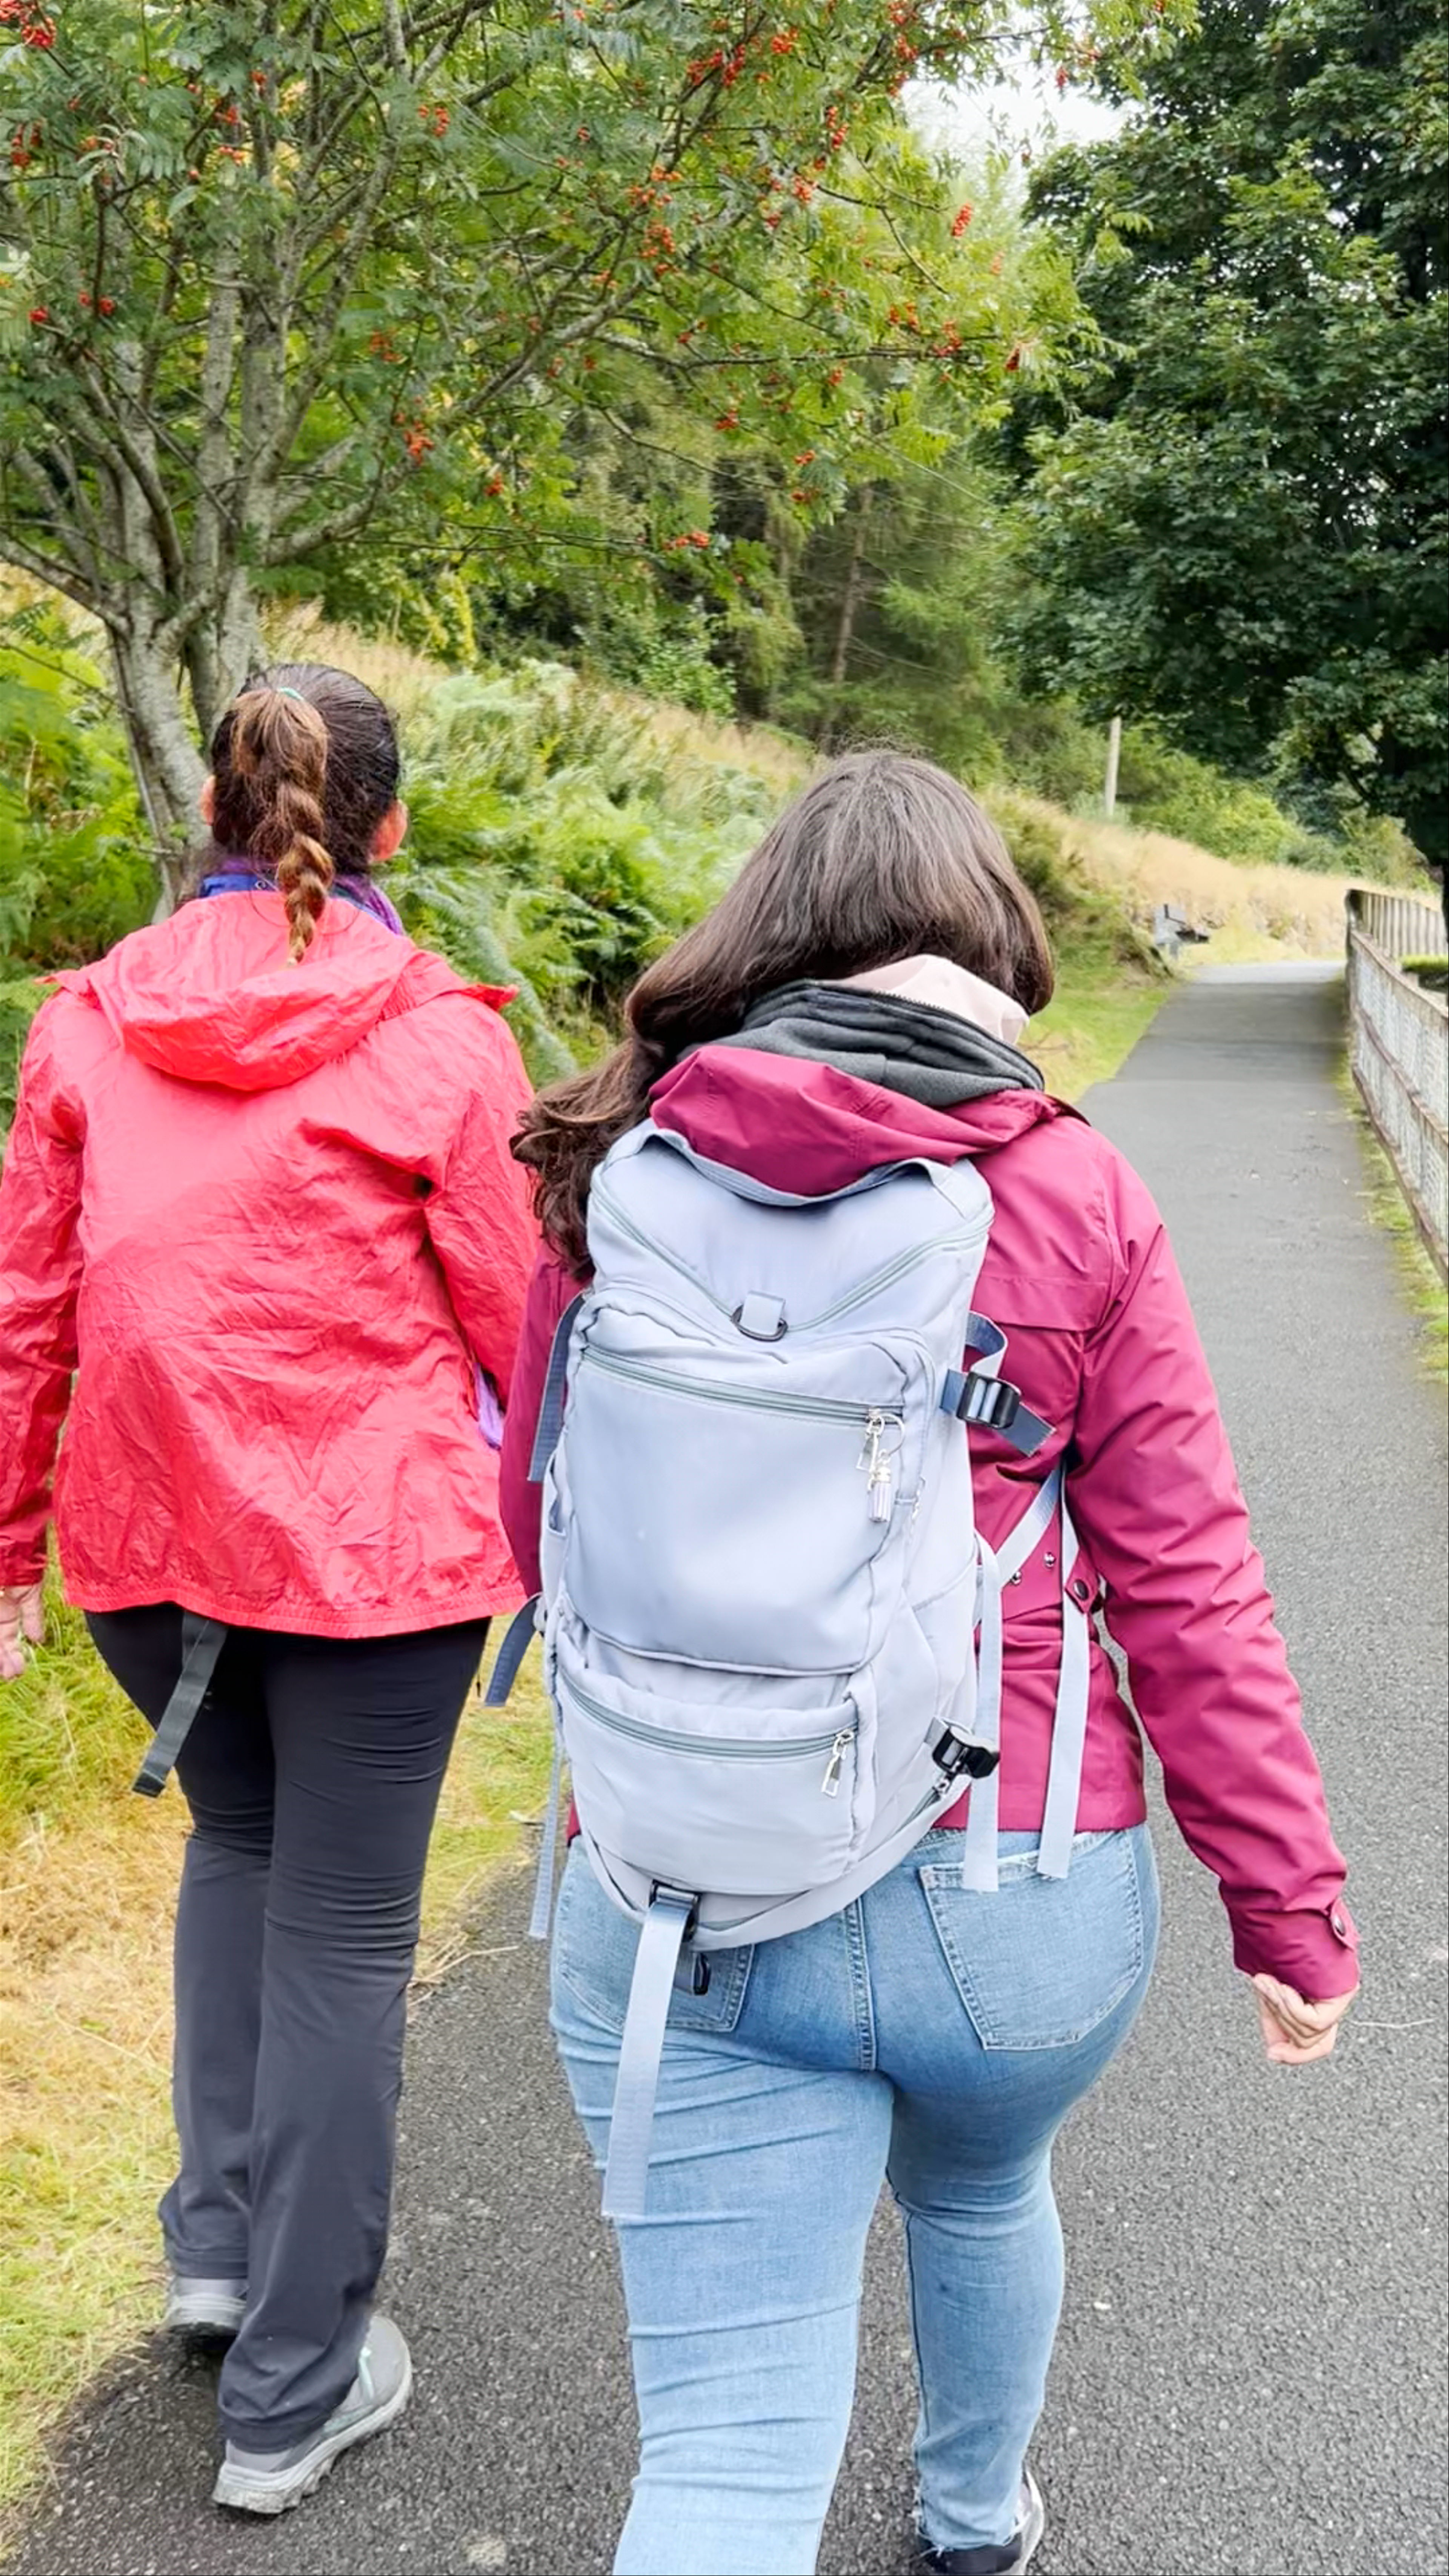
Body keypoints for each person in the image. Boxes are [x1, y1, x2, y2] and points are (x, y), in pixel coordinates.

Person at [500, 751, 1358, 2576]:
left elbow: (539, 1522)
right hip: (1008, 1893)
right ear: (993, 948)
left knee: (726, 2458)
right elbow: (1190, 1589)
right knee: (983, 2183)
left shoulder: (621, 1159)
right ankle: (975, 2519)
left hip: (682, 1885)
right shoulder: (1074, 1190)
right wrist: (1289, 1913)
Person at [0, 666, 537, 2515]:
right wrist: (560, 1542)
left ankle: (218, 2252)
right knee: (344, 1940)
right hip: (376, 1568)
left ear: (216, 818)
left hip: (148, 1551)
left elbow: (29, 1318)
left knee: (236, 1859)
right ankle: (296, 2381)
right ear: (385, 825)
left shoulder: (85, 1024)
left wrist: (8, 1551)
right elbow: (519, 1323)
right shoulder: (449, 1041)